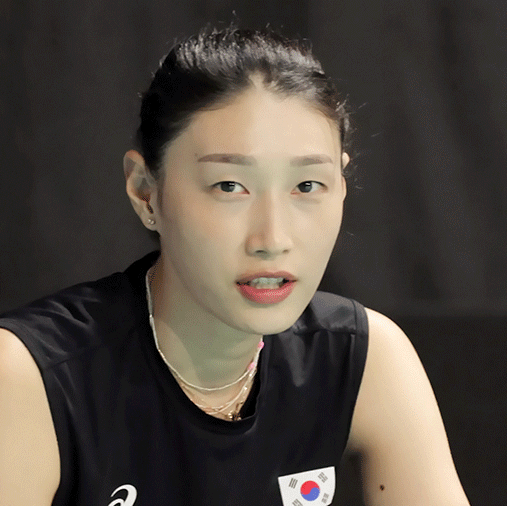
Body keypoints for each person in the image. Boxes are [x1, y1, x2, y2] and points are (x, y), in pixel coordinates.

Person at [0, 24, 471, 506]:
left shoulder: (364, 356)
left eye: (307, 186)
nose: (273, 239)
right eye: (229, 186)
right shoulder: (29, 375)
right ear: (145, 191)